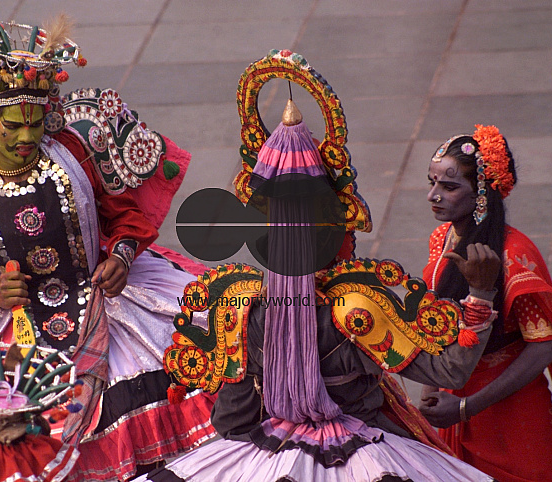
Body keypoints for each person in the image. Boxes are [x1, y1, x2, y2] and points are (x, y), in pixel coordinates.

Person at [139, 50, 501, 481]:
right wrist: (480, 295)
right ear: (337, 227)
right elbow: (450, 370)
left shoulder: (240, 309)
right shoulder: (355, 308)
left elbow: (232, 422)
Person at [0, 18, 215, 482]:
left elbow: (125, 216)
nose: (26, 138)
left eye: (34, 125)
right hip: (13, 326)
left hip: (103, 302)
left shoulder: (75, 151)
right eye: (13, 127)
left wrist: (121, 258)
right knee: (16, 444)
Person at [418, 125, 552, 481]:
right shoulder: (442, 238)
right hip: (456, 391)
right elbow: (434, 318)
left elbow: (543, 349)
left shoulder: (515, 255)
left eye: (449, 187)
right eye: (432, 183)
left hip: (512, 409)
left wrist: (467, 407)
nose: (433, 195)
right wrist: (431, 391)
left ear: (481, 195)